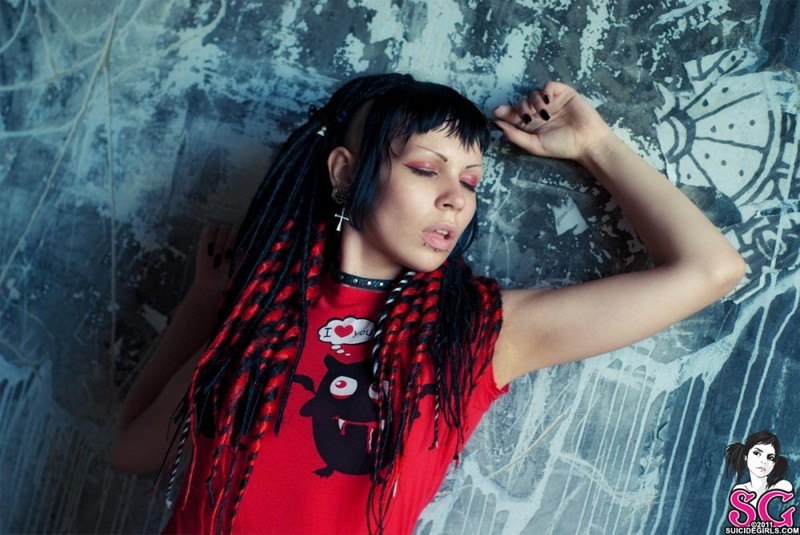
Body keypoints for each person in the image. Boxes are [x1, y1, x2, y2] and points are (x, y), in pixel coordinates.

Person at [111, 73, 745, 534]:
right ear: (344, 173)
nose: (456, 198)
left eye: (470, 180)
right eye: (425, 169)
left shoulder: (475, 332)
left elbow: (710, 269)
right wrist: (204, 304)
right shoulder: (261, 319)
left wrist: (594, 144)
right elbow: (131, 452)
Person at [726, 430, 793, 504]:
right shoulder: (740, 490)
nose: (763, 461)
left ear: (774, 464)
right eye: (756, 453)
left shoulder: (782, 486)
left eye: (770, 458)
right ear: (746, 456)